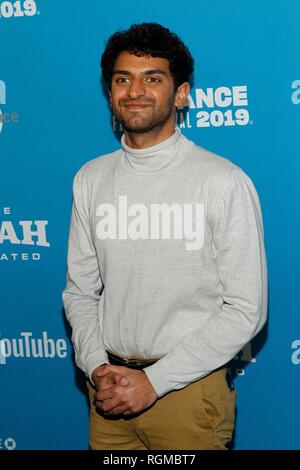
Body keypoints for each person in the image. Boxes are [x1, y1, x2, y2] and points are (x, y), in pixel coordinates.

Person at [62, 22, 267, 450]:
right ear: (111, 92)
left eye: (152, 78)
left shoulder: (222, 181)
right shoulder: (90, 178)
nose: (135, 90)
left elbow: (246, 310)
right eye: (123, 79)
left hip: (187, 394)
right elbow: (80, 292)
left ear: (181, 94)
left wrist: (155, 381)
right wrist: (97, 366)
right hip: (109, 394)